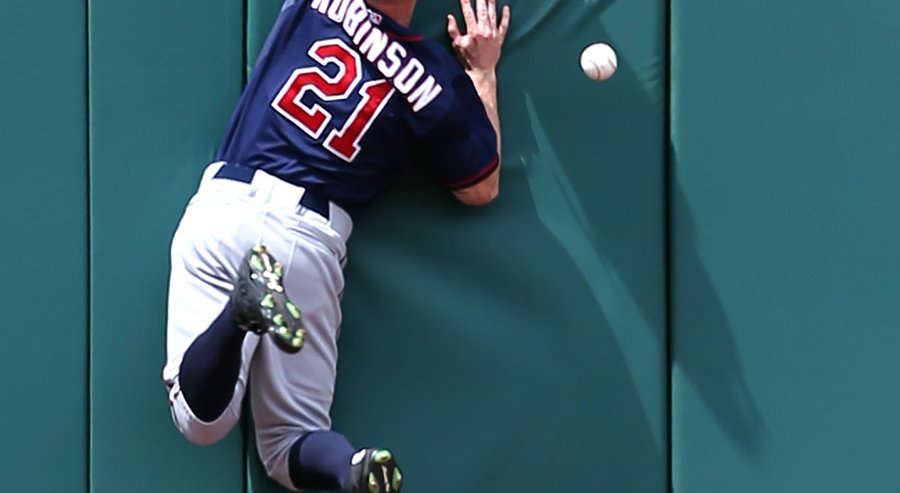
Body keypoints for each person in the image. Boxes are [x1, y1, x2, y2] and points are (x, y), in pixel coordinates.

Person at [161, 0, 510, 491]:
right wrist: (483, 71)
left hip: (228, 204)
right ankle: (353, 466)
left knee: (200, 422)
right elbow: (482, 186)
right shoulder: (433, 79)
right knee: (290, 443)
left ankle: (239, 314)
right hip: (309, 240)